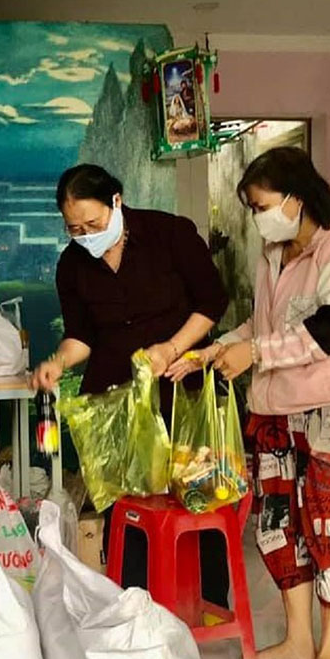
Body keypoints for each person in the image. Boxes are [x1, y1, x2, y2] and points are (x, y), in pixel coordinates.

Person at [170, 147, 330, 659]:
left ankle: (328, 651)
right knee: (279, 530)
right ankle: (297, 639)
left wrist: (256, 352)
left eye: (261, 205)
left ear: (297, 197)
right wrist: (214, 350)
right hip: (272, 414)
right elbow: (262, 328)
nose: (257, 217)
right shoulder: (273, 256)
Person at [32, 163, 230, 604]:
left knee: (198, 499)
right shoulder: (72, 265)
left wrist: (171, 348)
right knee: (126, 511)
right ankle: (134, 605)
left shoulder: (170, 234)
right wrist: (58, 362)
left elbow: (213, 301)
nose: (85, 235)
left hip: (181, 389)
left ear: (116, 202)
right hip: (114, 401)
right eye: (75, 228)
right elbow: (81, 335)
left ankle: (206, 603)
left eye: (94, 224)